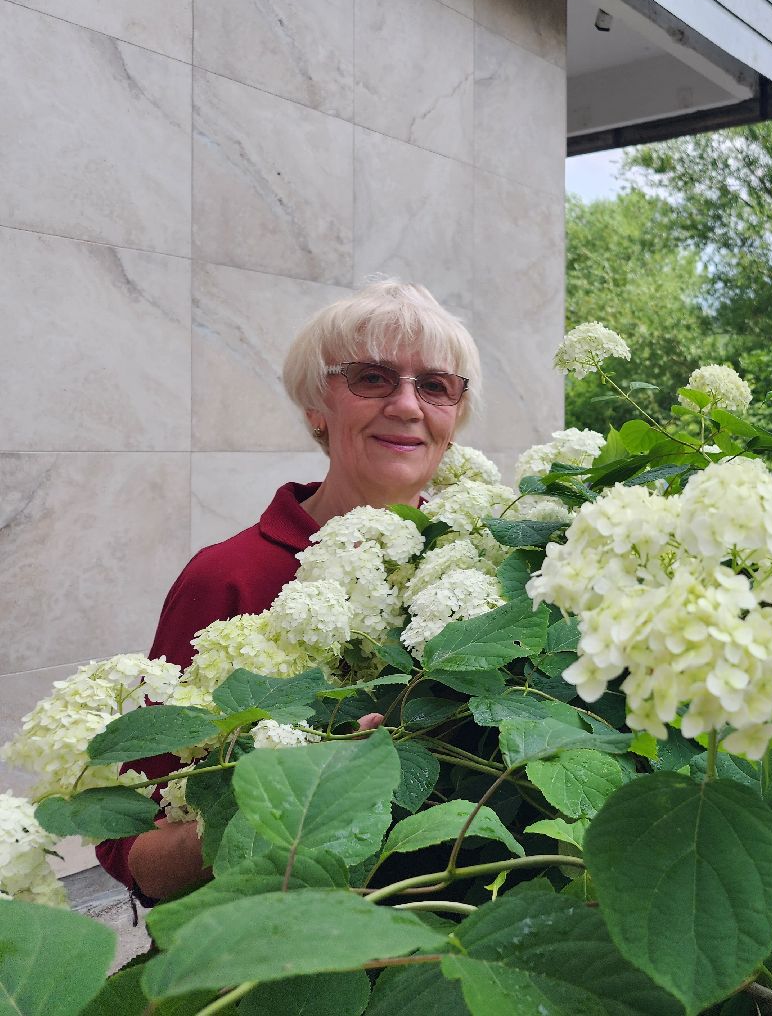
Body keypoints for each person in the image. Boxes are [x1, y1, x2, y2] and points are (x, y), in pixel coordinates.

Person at [95, 280, 483, 901]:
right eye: (372, 378)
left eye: (435, 385)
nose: (407, 405)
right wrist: (283, 802)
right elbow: (132, 852)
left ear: (455, 416)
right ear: (315, 407)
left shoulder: (491, 569)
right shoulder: (228, 576)